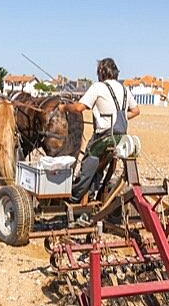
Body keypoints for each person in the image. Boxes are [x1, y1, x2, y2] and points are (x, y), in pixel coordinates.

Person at [60, 57, 140, 202]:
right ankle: (90, 198)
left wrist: (64, 107)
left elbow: (79, 108)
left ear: (101, 73)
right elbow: (136, 110)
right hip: (120, 138)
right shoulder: (124, 89)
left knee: (86, 169)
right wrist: (119, 116)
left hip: (102, 137)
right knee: (99, 168)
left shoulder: (98, 87)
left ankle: (74, 198)